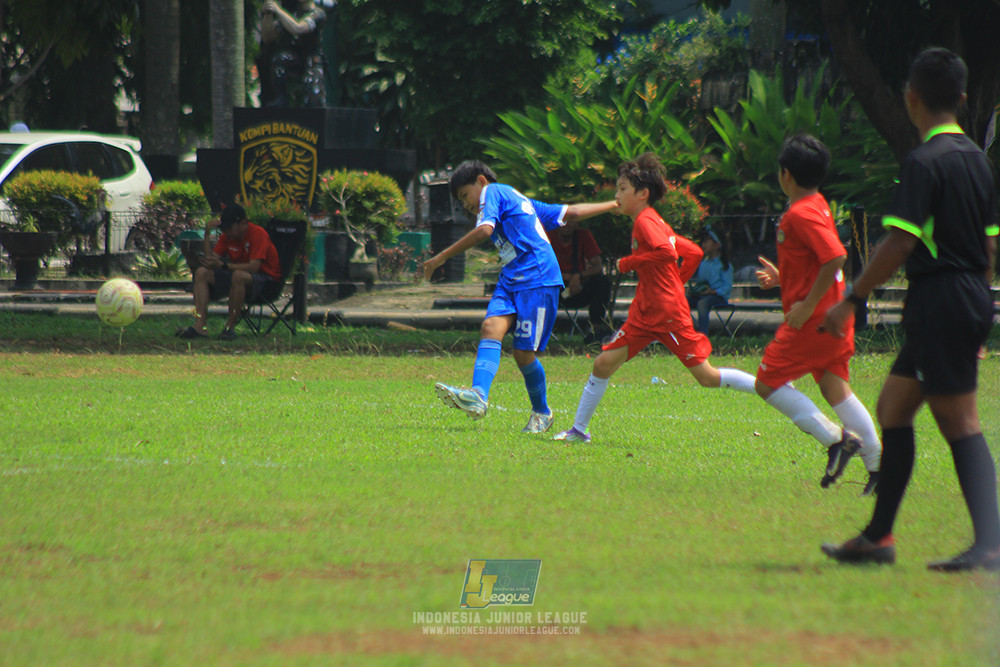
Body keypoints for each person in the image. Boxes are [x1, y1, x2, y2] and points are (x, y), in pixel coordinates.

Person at [820, 48, 1000, 571]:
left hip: (940, 299)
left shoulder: (924, 162)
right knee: (895, 406)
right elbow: (989, 249)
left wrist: (852, 299)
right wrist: (976, 314)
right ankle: (879, 538)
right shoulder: (977, 163)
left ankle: (990, 545)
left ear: (910, 98)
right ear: (964, 101)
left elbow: (899, 243)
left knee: (959, 420)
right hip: (966, 295)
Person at [553, 153, 756, 444]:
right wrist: (674, 283)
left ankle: (769, 388)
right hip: (647, 311)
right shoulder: (653, 221)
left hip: (665, 312)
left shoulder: (646, 222)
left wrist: (630, 262)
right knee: (603, 364)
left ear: (643, 193)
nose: (617, 195)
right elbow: (693, 253)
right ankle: (579, 430)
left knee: (707, 378)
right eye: (617, 188)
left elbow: (668, 253)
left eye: (623, 189)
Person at [421, 160, 618, 433]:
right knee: (490, 327)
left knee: (523, 352)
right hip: (511, 278)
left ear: (481, 181)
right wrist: (614, 204)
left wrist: (441, 257)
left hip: (537, 277)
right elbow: (570, 211)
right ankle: (478, 394)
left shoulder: (494, 192)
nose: (465, 204)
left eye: (465, 196)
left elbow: (485, 230)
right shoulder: (519, 201)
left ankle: (542, 412)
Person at [753, 135, 882, 496]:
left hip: (816, 321)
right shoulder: (816, 203)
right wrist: (784, 279)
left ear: (786, 174)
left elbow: (835, 256)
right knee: (835, 388)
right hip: (832, 317)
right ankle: (877, 468)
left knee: (766, 382)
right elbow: (816, 262)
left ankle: (835, 440)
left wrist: (807, 305)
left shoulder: (800, 212)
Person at [177, 203, 282, 341]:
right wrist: (207, 234)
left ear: (243, 223)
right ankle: (200, 326)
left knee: (238, 276)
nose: (227, 232)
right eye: (224, 229)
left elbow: (254, 267)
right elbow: (211, 260)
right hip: (236, 275)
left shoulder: (258, 234)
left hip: (265, 281)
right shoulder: (228, 236)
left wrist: (224, 266)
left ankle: (229, 328)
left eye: (229, 228)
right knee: (202, 272)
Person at [545, 218, 613, 342]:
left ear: (577, 223)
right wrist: (569, 277)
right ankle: (536, 331)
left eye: (571, 220)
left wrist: (578, 276)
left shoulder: (583, 236)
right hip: (553, 288)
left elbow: (597, 266)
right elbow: (540, 266)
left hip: (579, 288)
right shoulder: (547, 236)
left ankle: (595, 329)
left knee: (602, 282)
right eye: (563, 220)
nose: (567, 224)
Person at [259, 0, 327, 108]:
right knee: (280, 59)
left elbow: (298, 28)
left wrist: (278, 10)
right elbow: (268, 37)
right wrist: (269, 13)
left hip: (312, 61)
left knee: (314, 96)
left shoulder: (317, 14)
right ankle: (281, 98)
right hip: (294, 58)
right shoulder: (291, 14)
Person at [686, 228, 733, 334]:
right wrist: (695, 290)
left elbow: (727, 287)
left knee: (703, 304)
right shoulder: (704, 264)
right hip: (703, 295)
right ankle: (692, 330)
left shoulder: (725, 266)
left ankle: (703, 335)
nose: (703, 244)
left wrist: (713, 292)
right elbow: (702, 283)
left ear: (716, 245)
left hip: (717, 297)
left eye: (707, 241)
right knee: (681, 302)